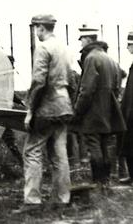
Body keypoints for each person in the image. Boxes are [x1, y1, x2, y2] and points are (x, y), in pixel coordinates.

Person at [19, 14, 74, 209]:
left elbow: (39, 81)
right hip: (63, 105)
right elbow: (72, 77)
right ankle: (63, 199)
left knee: (32, 151)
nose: (36, 32)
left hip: (47, 107)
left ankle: (32, 200)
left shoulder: (43, 48)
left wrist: (30, 110)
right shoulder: (63, 47)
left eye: (36, 28)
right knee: (60, 155)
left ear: (41, 28)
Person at [72, 25, 126, 187]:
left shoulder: (91, 58)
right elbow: (117, 87)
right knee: (104, 145)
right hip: (108, 111)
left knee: (93, 144)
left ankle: (98, 181)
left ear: (88, 39)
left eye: (81, 40)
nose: (81, 43)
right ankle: (106, 181)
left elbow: (86, 90)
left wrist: (78, 111)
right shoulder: (110, 59)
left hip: (93, 112)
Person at [119, 31, 133, 184]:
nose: (128, 48)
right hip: (130, 110)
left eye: (130, 45)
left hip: (132, 111)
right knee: (129, 144)